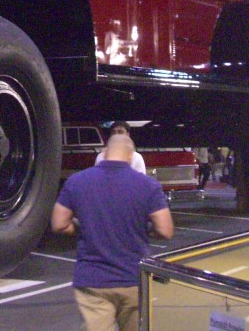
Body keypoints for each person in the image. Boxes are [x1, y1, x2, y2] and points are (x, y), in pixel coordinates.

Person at [54, 133, 174, 331]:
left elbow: (59, 223)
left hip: (92, 279)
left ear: (105, 152)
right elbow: (165, 230)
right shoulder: (148, 186)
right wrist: (146, 230)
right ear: (131, 156)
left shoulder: (77, 181)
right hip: (133, 278)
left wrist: (81, 226)